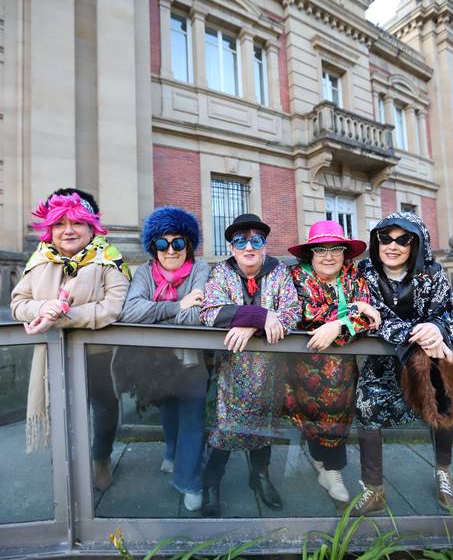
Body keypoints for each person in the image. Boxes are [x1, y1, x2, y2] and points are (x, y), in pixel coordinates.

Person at [10, 188, 131, 491]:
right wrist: (43, 308)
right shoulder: (39, 259)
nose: (68, 230)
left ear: (91, 227)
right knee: (61, 409)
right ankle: (65, 464)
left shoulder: (109, 258)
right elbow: (18, 304)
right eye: (60, 223)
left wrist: (64, 314)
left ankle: (101, 458)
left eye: (77, 223)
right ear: (50, 229)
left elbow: (113, 308)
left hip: (98, 352)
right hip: (53, 353)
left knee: (104, 406)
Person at [352, 212, 453, 515]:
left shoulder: (433, 274)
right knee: (367, 411)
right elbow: (372, 318)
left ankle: (443, 473)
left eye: (403, 240)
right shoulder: (364, 273)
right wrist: (423, 334)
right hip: (382, 363)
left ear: (416, 244)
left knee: (442, 407)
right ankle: (374, 490)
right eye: (385, 238)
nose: (392, 246)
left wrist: (437, 328)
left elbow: (450, 316)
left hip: (429, 363)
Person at [199, 213, 301, 517]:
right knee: (223, 429)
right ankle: (211, 482)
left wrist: (248, 325)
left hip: (269, 370)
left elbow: (292, 313)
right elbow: (210, 312)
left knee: (263, 427)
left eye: (256, 241)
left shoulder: (280, 272)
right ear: (231, 247)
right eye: (240, 241)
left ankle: (260, 477)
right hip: (228, 369)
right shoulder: (220, 273)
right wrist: (260, 316)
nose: (248, 247)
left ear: (265, 246)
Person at [117, 206, 209, 512]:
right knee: (168, 411)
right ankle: (171, 452)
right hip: (155, 363)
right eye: (162, 243)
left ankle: (189, 481)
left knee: (193, 418)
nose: (171, 250)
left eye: (178, 243)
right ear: (153, 246)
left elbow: (195, 318)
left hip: (191, 361)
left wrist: (156, 312)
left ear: (188, 245)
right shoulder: (145, 272)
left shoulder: (200, 270)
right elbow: (130, 312)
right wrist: (177, 306)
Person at [285, 220, 381, 503]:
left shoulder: (354, 277)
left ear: (344, 253)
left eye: (336, 249)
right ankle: (323, 466)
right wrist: (355, 309)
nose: (329, 256)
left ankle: (332, 470)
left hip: (342, 370)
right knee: (309, 419)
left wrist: (339, 325)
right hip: (302, 367)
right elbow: (309, 315)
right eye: (321, 249)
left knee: (338, 418)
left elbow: (371, 320)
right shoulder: (297, 277)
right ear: (310, 254)